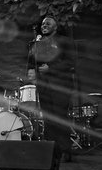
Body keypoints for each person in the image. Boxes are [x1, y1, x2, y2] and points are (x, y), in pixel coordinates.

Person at [27, 15, 76, 162]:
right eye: (42, 23)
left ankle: (65, 151)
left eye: (48, 23)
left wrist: (52, 68)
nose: (44, 25)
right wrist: (31, 70)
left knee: (59, 117)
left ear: (56, 26)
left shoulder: (64, 41)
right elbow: (31, 61)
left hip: (60, 84)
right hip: (44, 85)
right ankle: (51, 150)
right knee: (48, 117)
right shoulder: (38, 42)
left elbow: (71, 62)